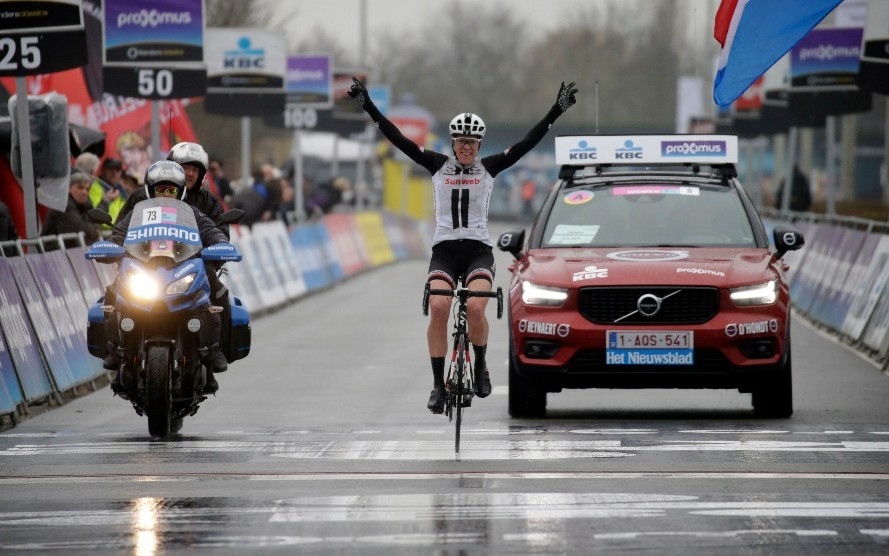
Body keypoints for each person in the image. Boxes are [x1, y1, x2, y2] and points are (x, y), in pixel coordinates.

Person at [348, 76, 578, 413]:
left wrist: (555, 112)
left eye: (472, 142)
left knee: (474, 308)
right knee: (439, 308)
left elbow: (527, 142)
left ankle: (481, 365)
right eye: (461, 141)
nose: (466, 147)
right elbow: (398, 139)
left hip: (477, 252)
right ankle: (438, 385)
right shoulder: (437, 165)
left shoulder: (489, 168)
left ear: (480, 144)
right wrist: (368, 106)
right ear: (453, 143)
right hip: (444, 252)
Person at [108, 142, 229, 379]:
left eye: (195, 169)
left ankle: (212, 351)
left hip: (191, 265)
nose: (190, 172)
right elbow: (120, 232)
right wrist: (111, 248)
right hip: (144, 265)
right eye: (184, 167)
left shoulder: (202, 205)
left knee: (217, 292)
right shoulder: (138, 202)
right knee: (113, 292)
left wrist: (220, 247)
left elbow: (216, 231)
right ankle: (115, 347)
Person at [41, 171, 102, 244]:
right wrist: (95, 232)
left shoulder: (85, 205)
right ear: (69, 188)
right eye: (80, 188)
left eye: (87, 189)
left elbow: (96, 224)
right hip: (53, 251)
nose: (84, 192)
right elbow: (80, 228)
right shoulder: (64, 205)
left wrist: (96, 229)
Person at [89, 157, 124, 225]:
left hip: (118, 232)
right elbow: (94, 216)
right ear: (103, 170)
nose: (114, 172)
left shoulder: (122, 191)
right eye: (110, 169)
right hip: (102, 232)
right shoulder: (93, 187)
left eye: (117, 169)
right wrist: (106, 200)